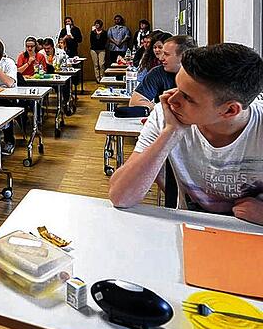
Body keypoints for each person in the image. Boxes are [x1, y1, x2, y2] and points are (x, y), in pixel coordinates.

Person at [109, 43, 263, 226]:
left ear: (230, 110)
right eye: (177, 87)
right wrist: (170, 133)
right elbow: (121, 196)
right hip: (191, 230)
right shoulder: (165, 114)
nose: (170, 99)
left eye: (188, 98)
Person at [130, 35, 196, 110]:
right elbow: (135, 102)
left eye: (166, 54)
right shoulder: (158, 72)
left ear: (183, 57)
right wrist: (163, 109)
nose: (161, 58)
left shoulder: (203, 75)